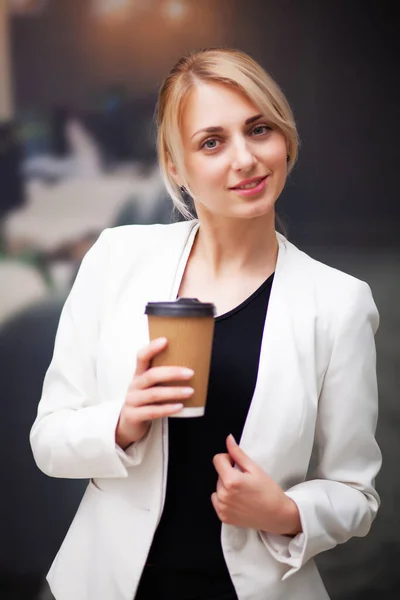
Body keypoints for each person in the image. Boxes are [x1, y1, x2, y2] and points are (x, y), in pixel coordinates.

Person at [30, 48, 381, 600]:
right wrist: (120, 423)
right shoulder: (117, 258)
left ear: (285, 139)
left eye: (259, 129)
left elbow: (356, 493)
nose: (245, 159)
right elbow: (48, 441)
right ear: (176, 165)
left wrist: (287, 512)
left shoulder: (338, 303)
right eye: (212, 142)